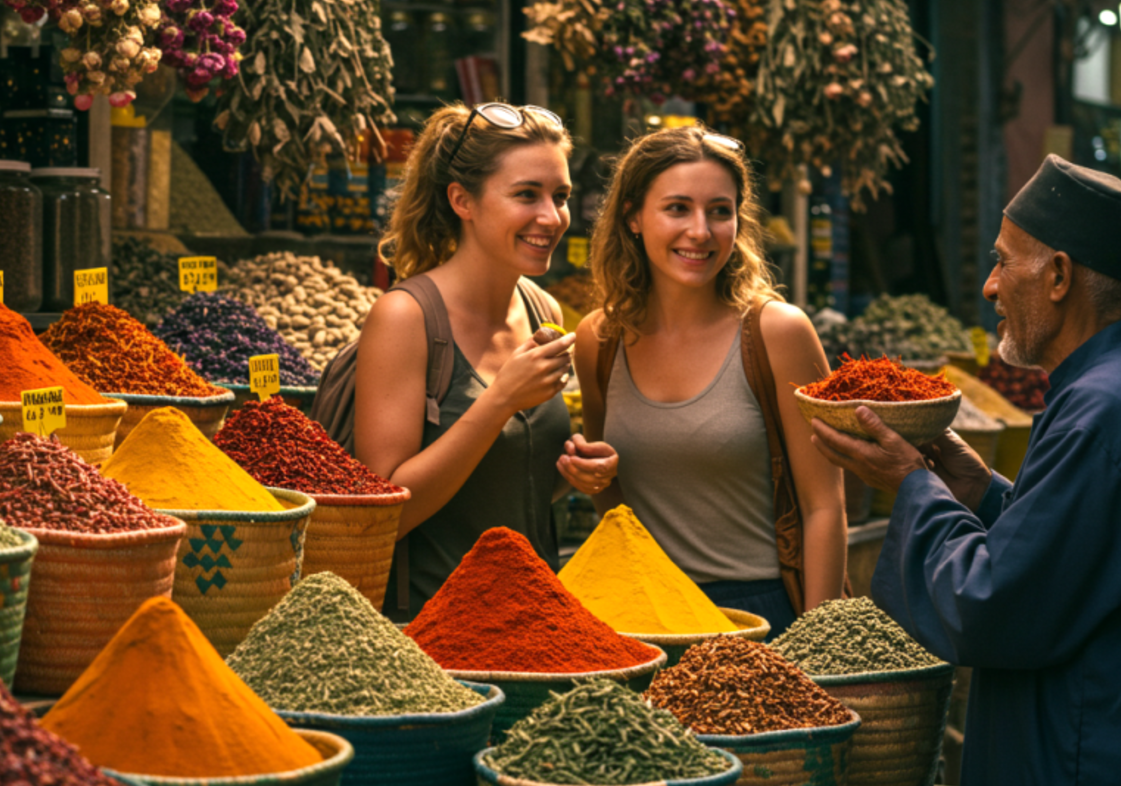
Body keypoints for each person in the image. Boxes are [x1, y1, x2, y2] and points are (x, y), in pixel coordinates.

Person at [811, 154, 1121, 786]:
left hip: (1084, 771)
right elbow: (1083, 559)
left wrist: (911, 485)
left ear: (1057, 276)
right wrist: (983, 492)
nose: (990, 287)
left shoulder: (1104, 416)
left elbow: (993, 605)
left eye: (1002, 261)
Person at [573, 125, 846, 637]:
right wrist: (588, 474)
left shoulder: (777, 332)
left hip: (761, 611)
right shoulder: (599, 339)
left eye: (720, 211)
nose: (700, 231)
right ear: (632, 217)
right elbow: (611, 499)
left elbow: (824, 505)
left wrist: (816, 645)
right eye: (677, 208)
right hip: (645, 615)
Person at [355, 102, 618, 620]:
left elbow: (509, 478)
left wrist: (574, 472)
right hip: (432, 633)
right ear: (462, 201)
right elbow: (383, 515)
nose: (551, 217)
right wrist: (500, 401)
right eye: (526, 195)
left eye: (560, 196)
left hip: (537, 622)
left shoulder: (541, 308)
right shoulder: (405, 318)